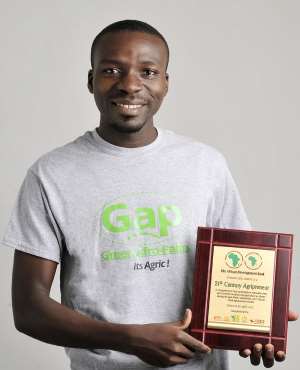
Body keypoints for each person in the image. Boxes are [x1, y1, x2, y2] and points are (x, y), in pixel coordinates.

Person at [1, 19, 297, 370]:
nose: (130, 85)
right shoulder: (50, 175)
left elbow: (241, 269)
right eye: (112, 70)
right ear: (91, 80)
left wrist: (259, 324)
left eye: (148, 71)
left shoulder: (205, 164)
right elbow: (29, 308)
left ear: (165, 83)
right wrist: (131, 338)